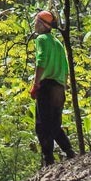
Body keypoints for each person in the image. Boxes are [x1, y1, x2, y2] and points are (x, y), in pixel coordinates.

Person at [29, 9, 75, 168]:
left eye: (36, 22)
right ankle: (69, 151)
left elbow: (40, 61)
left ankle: (48, 160)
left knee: (42, 125)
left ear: (42, 25)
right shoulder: (57, 43)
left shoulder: (41, 39)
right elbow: (65, 66)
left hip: (46, 86)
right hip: (59, 87)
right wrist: (64, 84)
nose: (34, 25)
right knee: (54, 123)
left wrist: (36, 84)